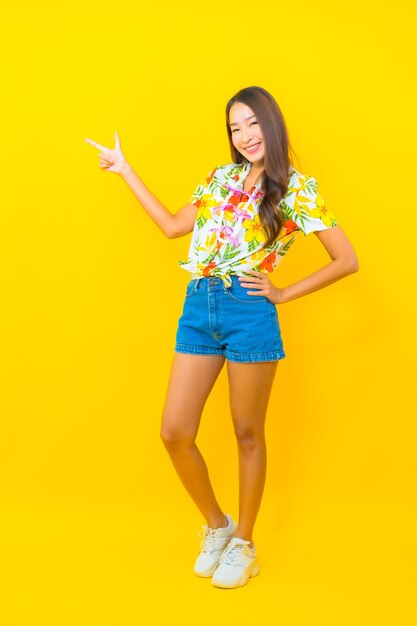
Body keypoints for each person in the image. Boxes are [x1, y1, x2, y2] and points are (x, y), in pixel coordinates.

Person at [85, 85, 359, 589]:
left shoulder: (296, 187)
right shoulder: (219, 178)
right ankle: (217, 526)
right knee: (174, 431)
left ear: (271, 124)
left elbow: (347, 260)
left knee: (246, 433)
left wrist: (282, 292)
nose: (245, 135)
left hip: (249, 310)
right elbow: (172, 227)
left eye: (253, 123)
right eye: (236, 127)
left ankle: (245, 543)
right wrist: (126, 171)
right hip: (199, 305)